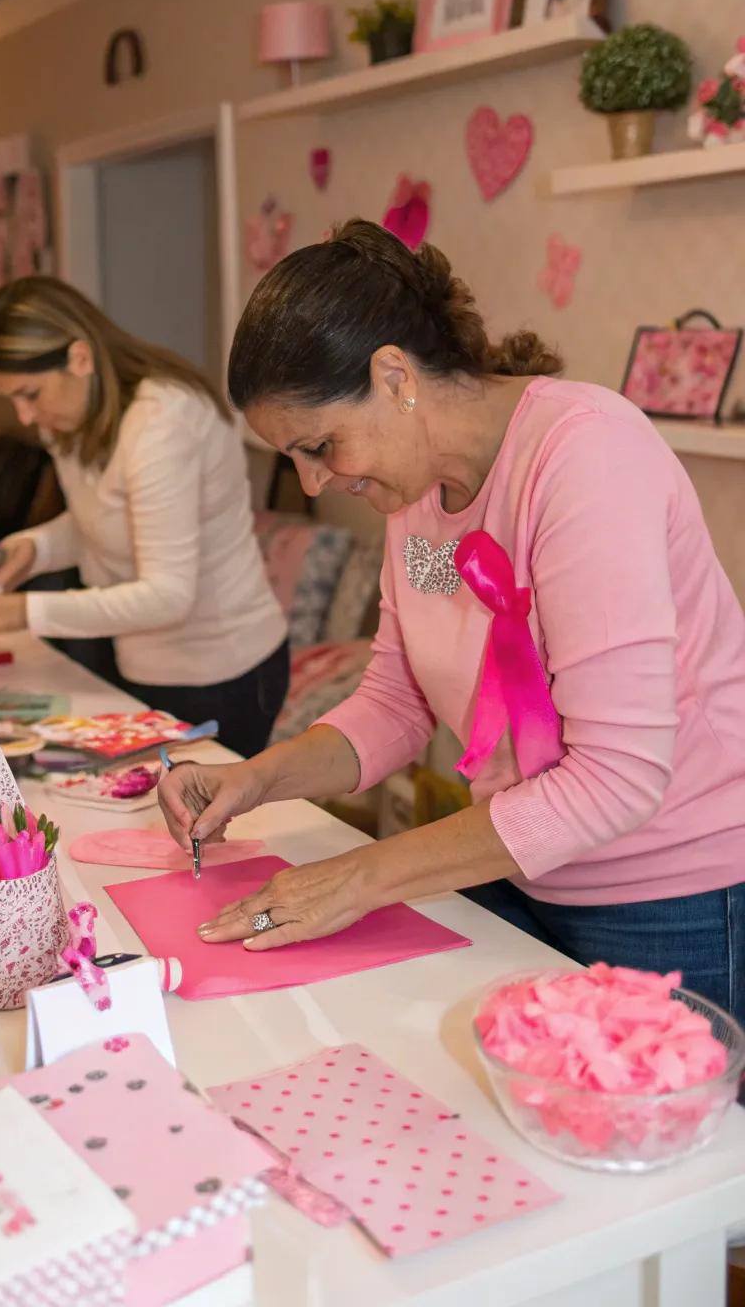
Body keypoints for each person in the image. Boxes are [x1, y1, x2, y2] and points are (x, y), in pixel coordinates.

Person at [158, 219, 745, 1021]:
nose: (313, 482)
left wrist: (363, 875)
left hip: (672, 896)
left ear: (394, 375)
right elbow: (397, 702)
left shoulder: (586, 458)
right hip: (524, 869)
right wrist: (257, 778)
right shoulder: (418, 492)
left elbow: (617, 776)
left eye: (319, 445)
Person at [0, 277, 289, 758]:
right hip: (142, 662)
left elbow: (168, 596)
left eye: (30, 394)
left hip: (221, 671)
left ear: (80, 358)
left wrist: (26, 611)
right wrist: (37, 548)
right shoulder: (72, 420)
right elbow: (104, 520)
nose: (25, 416)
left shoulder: (162, 422)